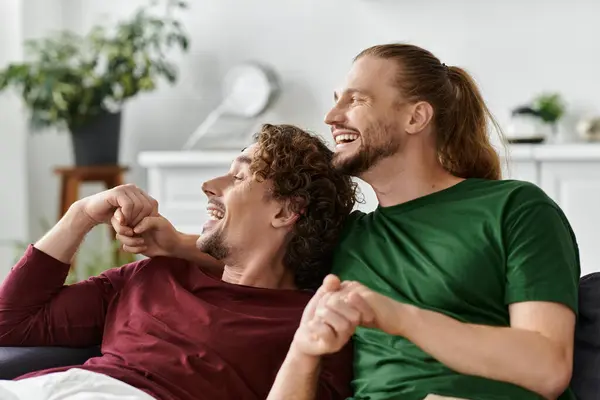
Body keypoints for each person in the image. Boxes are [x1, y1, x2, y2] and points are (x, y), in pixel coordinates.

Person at [142, 44, 580, 400]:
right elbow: (258, 259)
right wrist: (177, 243)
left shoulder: (514, 208)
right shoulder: (347, 237)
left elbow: (547, 367)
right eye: (336, 101)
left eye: (357, 100)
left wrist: (399, 317)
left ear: (416, 117)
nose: (332, 118)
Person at [0, 124, 358, 400]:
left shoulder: (308, 325)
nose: (209, 185)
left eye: (239, 177)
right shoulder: (154, 274)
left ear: (286, 210)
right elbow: (10, 324)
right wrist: (80, 215)